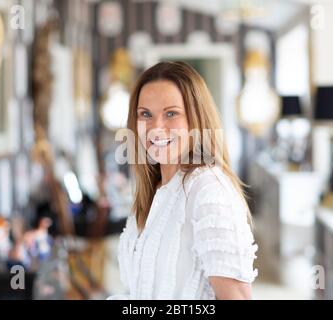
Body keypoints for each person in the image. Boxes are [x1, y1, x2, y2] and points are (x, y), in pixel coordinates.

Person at [109, 61, 258, 300]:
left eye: (171, 113)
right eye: (145, 114)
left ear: (195, 119)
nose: (156, 128)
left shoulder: (208, 190)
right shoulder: (155, 190)